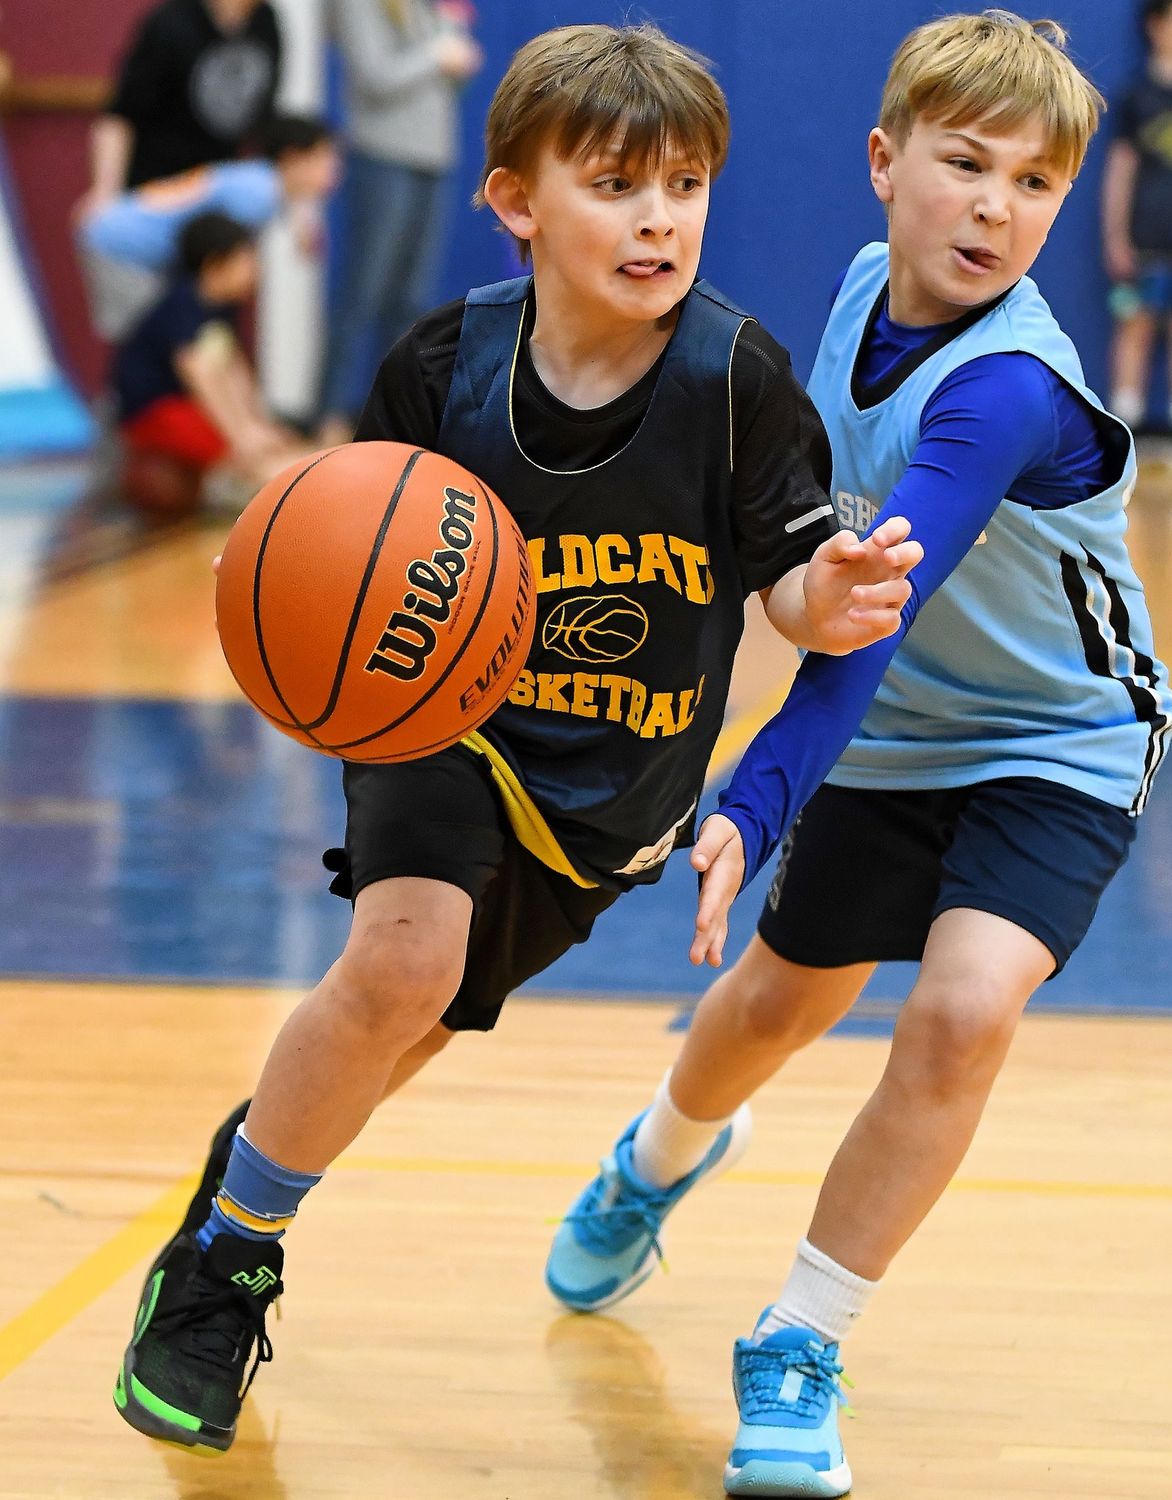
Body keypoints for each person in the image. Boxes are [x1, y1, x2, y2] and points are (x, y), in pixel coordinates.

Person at [111, 22, 925, 1454]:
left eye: (685, 185)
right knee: (402, 961)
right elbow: (352, 556)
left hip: (610, 792)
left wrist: (832, 597)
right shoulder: (442, 369)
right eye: (615, 183)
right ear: (515, 202)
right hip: (443, 721)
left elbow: (791, 573)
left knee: (396, 1032)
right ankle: (223, 1268)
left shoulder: (736, 381)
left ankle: (249, 1170)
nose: (658, 215)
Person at [544, 12, 1172, 1499]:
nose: (993, 206)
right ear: (885, 162)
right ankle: (654, 1160)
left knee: (963, 1012)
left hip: (1054, 739)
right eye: (964, 164)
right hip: (892, 737)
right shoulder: (848, 295)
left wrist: (753, 798)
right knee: (771, 1002)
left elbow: (872, 623)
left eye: (1033, 185)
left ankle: (802, 1341)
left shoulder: (1008, 388)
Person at [317, 0, 483, 443]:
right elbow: (376, 77)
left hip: (434, 158)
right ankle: (330, 416)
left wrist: (454, 51)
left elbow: (450, 83)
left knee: (412, 299)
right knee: (364, 293)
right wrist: (437, 54)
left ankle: (393, 418)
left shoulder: (425, 7)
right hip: (383, 156)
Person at [77, 115, 338, 342]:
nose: (333, 172)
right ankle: (121, 398)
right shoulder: (259, 195)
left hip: (126, 237)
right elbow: (211, 253)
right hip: (123, 243)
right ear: (293, 157)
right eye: (324, 160)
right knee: (143, 336)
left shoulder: (259, 182)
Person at [114, 210, 309, 511]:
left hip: (187, 406)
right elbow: (200, 375)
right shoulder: (183, 305)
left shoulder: (221, 307)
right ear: (215, 265)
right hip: (155, 412)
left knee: (269, 449)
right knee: (262, 464)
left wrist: (255, 423)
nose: (255, 270)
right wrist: (240, 437)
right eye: (246, 260)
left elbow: (232, 369)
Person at [80, 0, 281, 217]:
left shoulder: (264, 22)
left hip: (215, 192)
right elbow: (120, 117)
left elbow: (265, 120)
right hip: (156, 190)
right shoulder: (171, 22)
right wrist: (105, 192)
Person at [1103, 0, 1172, 440]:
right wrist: (1116, 238)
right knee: (1136, 322)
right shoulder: (1136, 97)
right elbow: (1120, 172)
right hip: (1146, 241)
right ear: (1157, 26)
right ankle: (1123, 425)